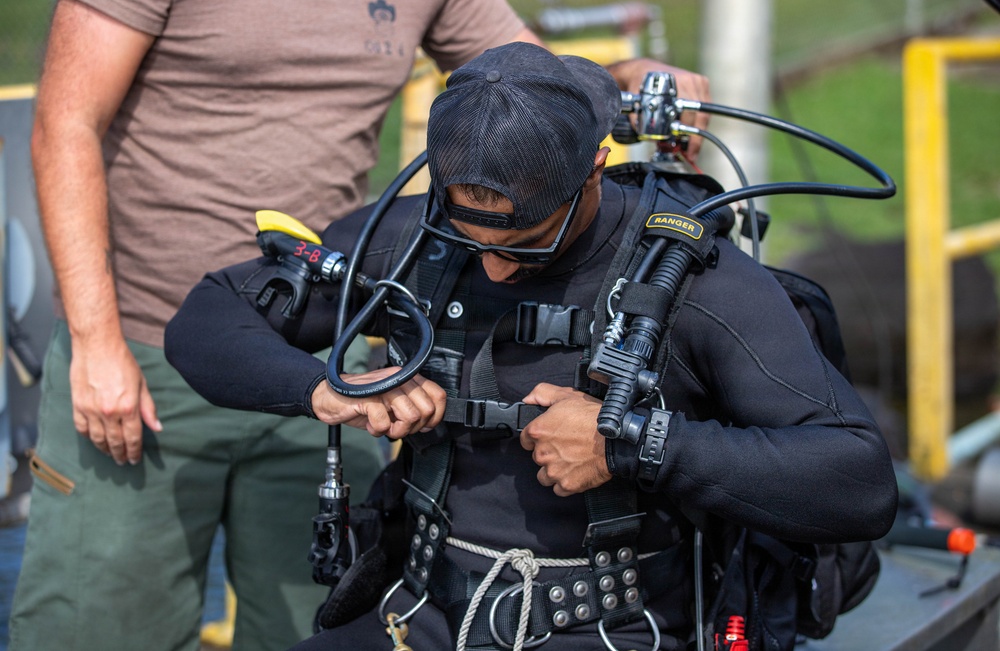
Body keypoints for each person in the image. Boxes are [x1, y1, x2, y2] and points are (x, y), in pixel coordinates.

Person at [11, 0, 711, 650]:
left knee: (310, 619)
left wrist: (629, 76)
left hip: (325, 355)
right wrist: (96, 341)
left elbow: (531, 86)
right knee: (101, 621)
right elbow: (66, 119)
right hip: (142, 351)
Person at [163, 42, 898, 651]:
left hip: (612, 626)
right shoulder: (409, 236)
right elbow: (209, 314)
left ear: (593, 175)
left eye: (525, 243)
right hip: (416, 611)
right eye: (467, 235)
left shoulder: (697, 280)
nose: (492, 266)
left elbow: (858, 479)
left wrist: (632, 443)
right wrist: (333, 389)